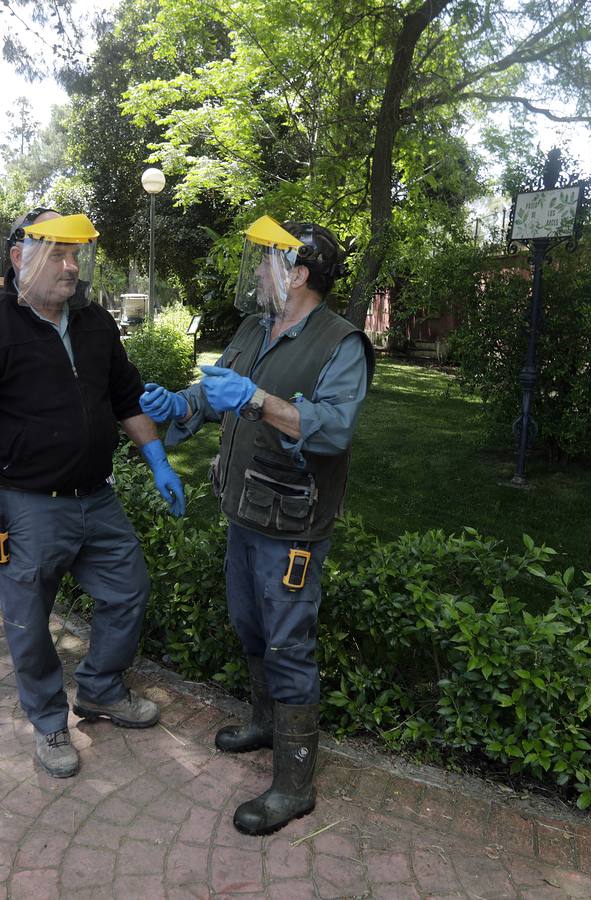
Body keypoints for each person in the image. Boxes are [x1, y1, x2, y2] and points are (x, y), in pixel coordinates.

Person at [0, 207, 185, 779]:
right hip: (24, 506)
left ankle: (98, 690)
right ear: (21, 258)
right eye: (59, 255)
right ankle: (48, 723)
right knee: (29, 621)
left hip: (96, 497)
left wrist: (158, 458)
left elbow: (126, 398)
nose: (71, 268)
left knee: (128, 590)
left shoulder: (95, 324)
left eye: (76, 255)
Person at [140, 215, 374, 835]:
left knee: (288, 645)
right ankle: (266, 724)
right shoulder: (255, 327)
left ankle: (295, 786)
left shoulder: (341, 343)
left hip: (292, 528)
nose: (258, 272)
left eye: (269, 261)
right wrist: (182, 404)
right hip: (244, 513)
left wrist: (258, 401)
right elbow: (217, 389)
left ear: (298, 274)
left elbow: (334, 428)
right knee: (249, 626)